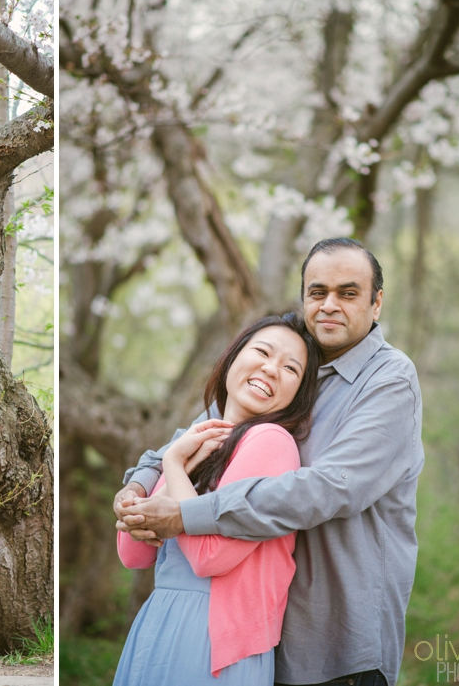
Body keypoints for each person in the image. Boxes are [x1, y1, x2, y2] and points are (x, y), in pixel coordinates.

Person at [116, 237, 424, 686]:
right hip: (267, 638)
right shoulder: (290, 372)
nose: (330, 304)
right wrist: (139, 487)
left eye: (348, 292)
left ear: (377, 303)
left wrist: (185, 515)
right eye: (317, 292)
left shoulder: (390, 380)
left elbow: (329, 489)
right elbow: (197, 436)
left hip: (338, 644)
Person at [115, 313, 321, 686]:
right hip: (159, 621)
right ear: (233, 356)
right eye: (262, 351)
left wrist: (174, 465)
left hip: (215, 641)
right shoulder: (199, 438)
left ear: (298, 394)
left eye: (290, 368)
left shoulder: (271, 441)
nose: (271, 369)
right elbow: (134, 553)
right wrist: (147, 483)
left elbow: (211, 557)